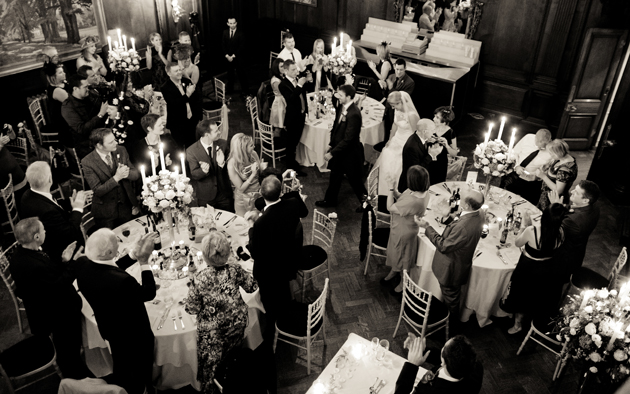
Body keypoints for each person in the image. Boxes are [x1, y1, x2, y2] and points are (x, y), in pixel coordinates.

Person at [74, 230, 157, 394]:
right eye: (116, 247)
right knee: (140, 370)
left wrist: (132, 255)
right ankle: (143, 388)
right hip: (135, 334)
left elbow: (108, 268)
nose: (119, 248)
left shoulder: (82, 266)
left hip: (110, 328)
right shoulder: (123, 282)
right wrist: (143, 262)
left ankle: (128, 383)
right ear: (110, 252)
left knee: (122, 363)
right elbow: (148, 293)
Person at [9, 218, 90, 379]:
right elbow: (58, 285)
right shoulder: (32, 264)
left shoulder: (25, 253)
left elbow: (49, 277)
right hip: (57, 314)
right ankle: (77, 378)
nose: (45, 231)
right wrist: (73, 263)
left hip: (48, 304)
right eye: (43, 230)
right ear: (36, 237)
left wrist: (64, 261)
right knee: (69, 350)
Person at [185, 230, 258, 394]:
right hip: (236, 326)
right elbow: (252, 286)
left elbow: (191, 308)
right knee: (232, 355)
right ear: (227, 252)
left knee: (210, 362)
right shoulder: (235, 269)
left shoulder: (200, 278)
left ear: (205, 256)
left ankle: (211, 386)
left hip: (213, 336)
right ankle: (233, 374)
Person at [248, 176, 308, 339]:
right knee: (282, 291)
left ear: (261, 193)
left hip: (269, 271)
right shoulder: (293, 204)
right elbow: (305, 212)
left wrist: (251, 230)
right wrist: (294, 192)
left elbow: (255, 252)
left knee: (270, 301)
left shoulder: (261, 224)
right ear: (281, 192)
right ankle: (285, 305)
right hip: (288, 259)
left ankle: (271, 324)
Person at [417, 189, 485, 329]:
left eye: (463, 199)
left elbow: (443, 246)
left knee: (451, 300)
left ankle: (450, 328)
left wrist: (427, 227)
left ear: (466, 206)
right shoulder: (480, 214)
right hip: (461, 260)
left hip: (452, 269)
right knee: (451, 297)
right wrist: (452, 217)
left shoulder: (463, 227)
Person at [500, 203, 566, 334]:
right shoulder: (561, 233)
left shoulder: (532, 231)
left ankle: (518, 325)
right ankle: (528, 317)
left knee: (520, 294)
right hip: (546, 268)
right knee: (532, 294)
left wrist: (524, 227)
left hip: (527, 268)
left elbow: (518, 243)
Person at [20, 161, 87, 261]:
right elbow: (70, 232)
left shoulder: (28, 194)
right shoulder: (48, 211)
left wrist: (70, 202)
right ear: (50, 180)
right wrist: (78, 208)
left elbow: (52, 204)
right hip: (67, 252)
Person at [315, 85, 368, 211]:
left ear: (348, 97)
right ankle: (330, 200)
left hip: (349, 154)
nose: (337, 96)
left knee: (355, 181)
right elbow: (336, 127)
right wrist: (331, 143)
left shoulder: (354, 113)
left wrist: (332, 153)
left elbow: (349, 139)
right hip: (340, 150)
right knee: (335, 176)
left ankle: (367, 205)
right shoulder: (342, 107)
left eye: (340, 95)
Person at [383, 166, 431, 293]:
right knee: (397, 253)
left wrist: (390, 189)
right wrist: (394, 190)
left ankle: (403, 281)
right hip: (400, 226)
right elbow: (401, 198)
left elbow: (390, 207)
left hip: (404, 231)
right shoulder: (417, 191)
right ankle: (394, 271)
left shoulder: (414, 200)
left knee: (403, 257)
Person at [81, 128, 140, 229]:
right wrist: (117, 177)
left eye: (114, 139)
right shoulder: (87, 162)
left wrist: (126, 173)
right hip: (105, 212)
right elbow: (98, 190)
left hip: (126, 208)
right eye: (111, 142)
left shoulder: (121, 150)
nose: (115, 143)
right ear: (99, 145)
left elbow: (136, 174)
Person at [395, 335, 483, 394]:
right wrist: (422, 351)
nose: (441, 348)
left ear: (443, 362)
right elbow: (448, 357)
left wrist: (411, 366)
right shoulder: (476, 365)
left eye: (443, 347)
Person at [549, 181, 601, 282]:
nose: (571, 191)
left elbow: (552, 229)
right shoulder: (594, 205)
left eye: (576, 192)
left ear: (585, 200)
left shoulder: (574, 221)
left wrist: (555, 207)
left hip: (563, 259)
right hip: (577, 251)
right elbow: (572, 209)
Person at [375, 91, 420, 195]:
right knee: (386, 155)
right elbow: (394, 126)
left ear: (401, 102)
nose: (392, 108)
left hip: (406, 143)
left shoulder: (412, 115)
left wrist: (408, 147)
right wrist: (390, 140)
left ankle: (395, 193)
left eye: (394, 105)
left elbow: (415, 134)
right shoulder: (397, 110)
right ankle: (383, 192)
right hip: (396, 139)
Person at [186, 120, 233, 211]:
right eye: (216, 131)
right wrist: (203, 171)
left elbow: (231, 167)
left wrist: (222, 163)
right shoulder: (191, 151)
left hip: (224, 193)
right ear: (207, 134)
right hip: (206, 196)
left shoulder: (223, 144)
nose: (219, 132)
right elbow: (194, 174)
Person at [61, 74, 109, 158]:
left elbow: (101, 105)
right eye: (85, 87)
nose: (88, 89)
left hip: (99, 133)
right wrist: (100, 115)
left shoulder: (88, 96)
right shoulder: (67, 107)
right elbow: (82, 129)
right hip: (86, 145)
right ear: (75, 89)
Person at [501, 128, 552, 205]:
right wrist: (517, 166)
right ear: (536, 138)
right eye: (539, 143)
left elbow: (548, 169)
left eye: (544, 145)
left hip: (533, 182)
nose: (541, 147)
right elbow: (515, 152)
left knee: (527, 204)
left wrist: (537, 177)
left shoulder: (552, 150)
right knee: (505, 196)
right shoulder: (528, 137)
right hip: (515, 174)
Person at [376, 58, 416, 152]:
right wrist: (384, 88)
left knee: (394, 132)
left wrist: (390, 87)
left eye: (401, 70)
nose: (398, 72)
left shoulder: (410, 82)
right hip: (388, 109)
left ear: (405, 68)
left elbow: (402, 98)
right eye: (397, 69)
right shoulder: (391, 76)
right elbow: (386, 95)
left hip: (399, 112)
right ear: (394, 67)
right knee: (386, 131)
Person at [161, 61, 202, 148]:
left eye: (180, 70)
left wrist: (198, 117)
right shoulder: (165, 88)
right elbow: (175, 104)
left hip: (191, 120)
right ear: (169, 73)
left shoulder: (187, 81)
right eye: (176, 71)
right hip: (177, 123)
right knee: (179, 146)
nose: (179, 72)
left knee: (192, 144)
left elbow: (197, 99)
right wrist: (187, 94)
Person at [279, 59, 308, 176]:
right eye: (293, 70)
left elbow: (302, 94)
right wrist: (300, 85)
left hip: (301, 115)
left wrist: (307, 82)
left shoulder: (297, 79)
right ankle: (290, 168)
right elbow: (291, 98)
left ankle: (294, 164)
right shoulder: (283, 85)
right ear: (285, 70)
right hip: (292, 119)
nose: (296, 71)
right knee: (290, 145)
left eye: (296, 69)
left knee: (295, 142)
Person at [398, 119, 442, 192]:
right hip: (411, 186)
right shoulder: (411, 147)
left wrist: (427, 140)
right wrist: (431, 155)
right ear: (424, 131)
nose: (434, 132)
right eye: (432, 130)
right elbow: (416, 171)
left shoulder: (419, 138)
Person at [535, 139, 578, 211]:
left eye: (552, 154)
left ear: (559, 153)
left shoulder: (564, 170)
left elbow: (558, 190)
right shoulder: (562, 158)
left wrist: (543, 176)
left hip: (553, 200)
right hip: (545, 195)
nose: (550, 155)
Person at [227, 133, 261, 217]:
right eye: (251, 145)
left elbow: (259, 172)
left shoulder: (254, 154)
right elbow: (241, 188)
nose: (254, 147)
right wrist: (252, 174)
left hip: (258, 194)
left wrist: (261, 167)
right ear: (243, 148)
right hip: (243, 199)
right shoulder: (232, 164)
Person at [222, 17, 248, 95]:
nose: (232, 25)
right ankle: (230, 90)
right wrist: (227, 56)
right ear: (228, 24)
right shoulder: (225, 32)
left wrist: (233, 56)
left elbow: (241, 47)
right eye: (230, 23)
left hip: (238, 58)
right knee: (230, 75)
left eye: (234, 23)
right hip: (228, 58)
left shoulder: (241, 33)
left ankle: (245, 91)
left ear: (236, 23)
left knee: (241, 75)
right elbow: (223, 45)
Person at [269, 58, 287, 132]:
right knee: (278, 125)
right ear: (276, 68)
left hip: (283, 101)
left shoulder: (283, 76)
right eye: (281, 66)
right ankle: (276, 142)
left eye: (284, 66)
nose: (283, 68)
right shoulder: (275, 80)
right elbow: (282, 92)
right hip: (279, 103)